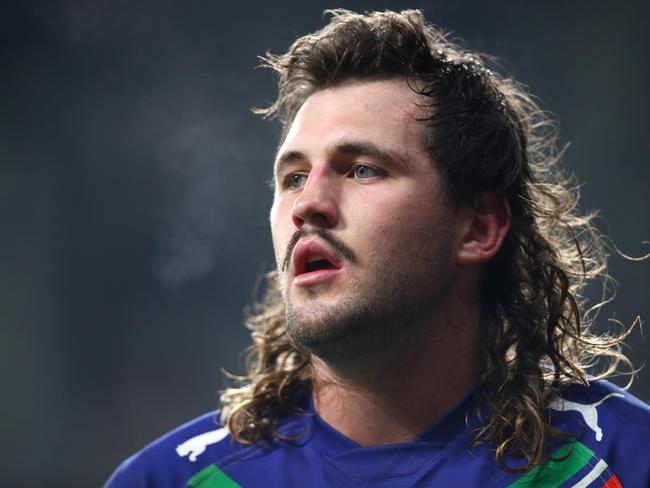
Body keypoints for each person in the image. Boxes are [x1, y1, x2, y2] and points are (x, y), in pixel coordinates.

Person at [105, 9, 649, 487]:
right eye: (292, 177)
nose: (308, 204)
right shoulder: (172, 479)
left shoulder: (622, 462)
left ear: (479, 228)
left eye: (362, 169)